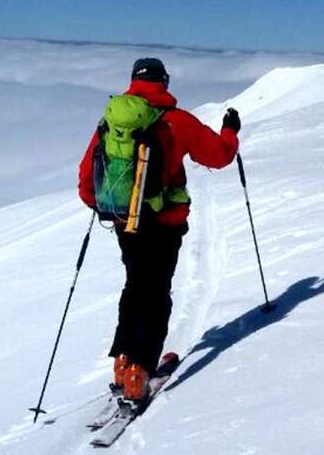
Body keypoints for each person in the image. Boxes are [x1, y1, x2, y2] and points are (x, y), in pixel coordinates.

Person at [78, 56, 241, 401]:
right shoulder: (176, 121)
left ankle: (123, 362)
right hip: (164, 223)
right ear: (163, 82)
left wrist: (103, 203)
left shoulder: (112, 121)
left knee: (135, 287)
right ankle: (140, 373)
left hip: (124, 221)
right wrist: (230, 131)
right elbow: (219, 156)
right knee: (156, 294)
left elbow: (86, 174)